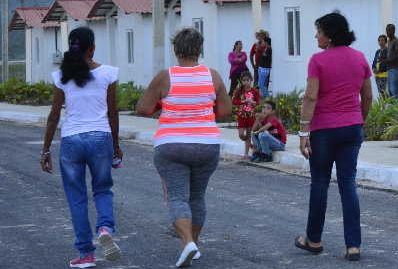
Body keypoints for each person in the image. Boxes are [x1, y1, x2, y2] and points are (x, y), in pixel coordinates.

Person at [137, 27, 232, 268]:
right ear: (200, 49)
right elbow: (225, 112)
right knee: (197, 197)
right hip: (207, 145)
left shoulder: (164, 77)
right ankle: (191, 246)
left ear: (175, 49)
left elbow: (143, 109)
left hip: (172, 145)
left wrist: (164, 106)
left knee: (178, 197)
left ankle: (188, 243)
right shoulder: (214, 76)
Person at [40, 27, 123, 268]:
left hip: (71, 141)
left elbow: (54, 115)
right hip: (100, 137)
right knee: (103, 189)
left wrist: (45, 150)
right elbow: (113, 113)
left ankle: (86, 254)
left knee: (76, 198)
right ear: (92, 48)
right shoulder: (108, 73)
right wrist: (116, 146)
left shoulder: (61, 76)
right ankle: (105, 227)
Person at [295, 12, 373, 262]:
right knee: (348, 184)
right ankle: (353, 245)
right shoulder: (360, 58)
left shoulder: (318, 61)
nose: (316, 36)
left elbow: (310, 97)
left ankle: (314, 240)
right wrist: (358, 119)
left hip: (323, 130)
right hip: (352, 128)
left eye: (318, 31)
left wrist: (303, 131)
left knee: (319, 183)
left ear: (328, 36)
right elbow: (368, 96)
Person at [232, 71, 261, 160]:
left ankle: (246, 154)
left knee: (248, 134)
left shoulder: (255, 91)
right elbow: (234, 101)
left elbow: (259, 102)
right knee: (241, 134)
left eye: (248, 80)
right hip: (242, 115)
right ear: (241, 81)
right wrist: (243, 101)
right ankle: (249, 144)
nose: (246, 82)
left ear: (251, 80)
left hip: (251, 115)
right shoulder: (239, 91)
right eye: (244, 80)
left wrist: (253, 103)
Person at [383, 23, 398, 99]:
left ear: (393, 31)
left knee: (395, 92)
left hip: (395, 69)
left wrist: (386, 61)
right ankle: (393, 110)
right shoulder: (389, 42)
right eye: (387, 30)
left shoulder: (397, 42)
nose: (388, 32)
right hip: (390, 69)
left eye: (389, 30)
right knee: (391, 92)